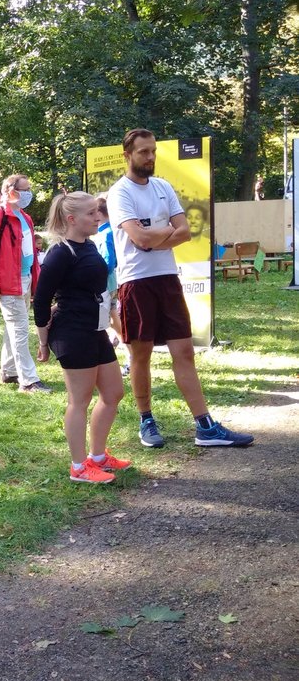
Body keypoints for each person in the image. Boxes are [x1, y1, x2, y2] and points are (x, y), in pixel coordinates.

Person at [106, 128, 253, 448]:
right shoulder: (119, 193)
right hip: (135, 282)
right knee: (140, 356)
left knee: (184, 352)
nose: (150, 157)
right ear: (127, 155)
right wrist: (158, 234)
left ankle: (205, 426)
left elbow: (185, 232)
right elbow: (139, 239)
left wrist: (151, 236)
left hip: (167, 279)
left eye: (153, 151)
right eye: (144, 152)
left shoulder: (163, 187)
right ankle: (146, 421)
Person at [34, 193, 129, 483]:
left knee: (113, 394)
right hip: (72, 332)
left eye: (96, 212)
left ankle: (97, 457)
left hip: (95, 328)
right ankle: (78, 467)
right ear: (71, 219)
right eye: (90, 214)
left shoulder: (87, 245)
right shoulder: (60, 252)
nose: (97, 217)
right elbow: (40, 300)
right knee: (80, 400)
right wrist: (43, 342)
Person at [0, 174, 51, 393]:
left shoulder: (24, 217)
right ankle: (28, 381)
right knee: (19, 329)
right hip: (7, 282)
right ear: (11, 191)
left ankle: (9, 372)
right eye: (25, 189)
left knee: (14, 328)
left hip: (24, 279)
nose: (29, 194)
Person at [93, 195, 132, 377]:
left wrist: (96, 276)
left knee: (112, 317)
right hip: (110, 281)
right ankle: (120, 344)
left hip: (107, 283)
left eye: (93, 212)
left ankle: (129, 351)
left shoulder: (105, 233)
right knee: (111, 317)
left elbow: (107, 261)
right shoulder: (108, 231)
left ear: (100, 213)